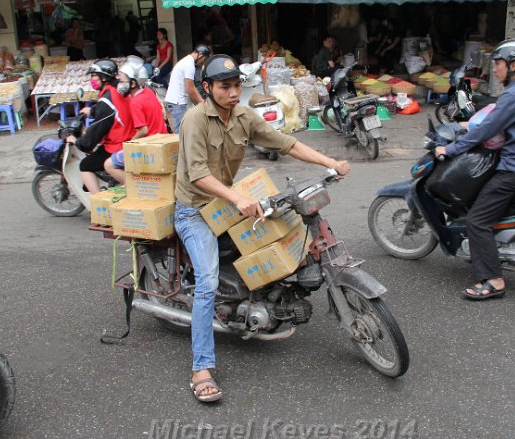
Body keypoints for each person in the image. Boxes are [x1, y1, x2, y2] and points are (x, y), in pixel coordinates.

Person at [174, 54, 351, 402]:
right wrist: (236, 199)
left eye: (237, 84)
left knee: (285, 230)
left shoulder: (243, 116)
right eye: (224, 86)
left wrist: (330, 161)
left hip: (226, 201)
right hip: (194, 209)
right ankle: (201, 368)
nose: (232, 92)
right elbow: (197, 174)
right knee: (207, 283)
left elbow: (286, 143)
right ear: (207, 88)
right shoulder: (195, 120)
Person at [435, 39, 515, 301]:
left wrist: (451, 150)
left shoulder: (514, 94)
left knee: (477, 221)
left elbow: (487, 130)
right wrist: (468, 124)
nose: (494, 70)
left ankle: (493, 280)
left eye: (497, 64)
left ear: (513, 65)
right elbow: (495, 119)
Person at [65, 59, 133, 195]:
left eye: (94, 75)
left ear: (103, 77)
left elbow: (92, 136)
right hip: (127, 137)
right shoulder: (117, 90)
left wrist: (77, 141)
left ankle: (98, 204)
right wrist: (92, 111)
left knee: (85, 165)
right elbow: (112, 111)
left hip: (118, 144)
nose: (92, 79)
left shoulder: (106, 101)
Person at [104, 63, 169, 183]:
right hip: (161, 140)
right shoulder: (148, 92)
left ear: (133, 83)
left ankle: (135, 188)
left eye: (123, 80)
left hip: (149, 147)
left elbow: (143, 130)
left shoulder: (135, 102)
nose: (120, 84)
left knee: (108, 165)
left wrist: (128, 144)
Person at [164, 44, 210, 132]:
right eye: (204, 59)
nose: (202, 63)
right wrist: (203, 104)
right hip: (177, 103)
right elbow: (190, 88)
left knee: (179, 135)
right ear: (200, 55)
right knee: (182, 135)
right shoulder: (189, 65)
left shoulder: (185, 61)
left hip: (173, 102)